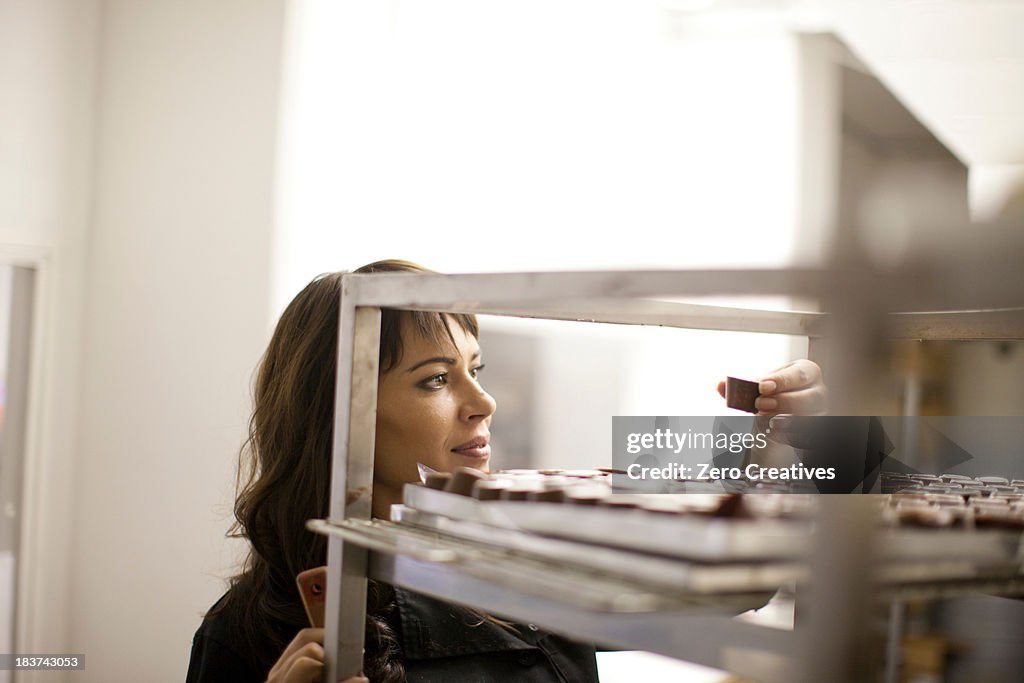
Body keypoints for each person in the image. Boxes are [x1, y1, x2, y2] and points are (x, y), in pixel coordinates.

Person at [185, 260, 826, 683]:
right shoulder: (247, 634)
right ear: (339, 409)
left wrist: (805, 442)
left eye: (475, 369)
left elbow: (735, 580)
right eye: (436, 379)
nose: (483, 402)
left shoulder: (532, 557)